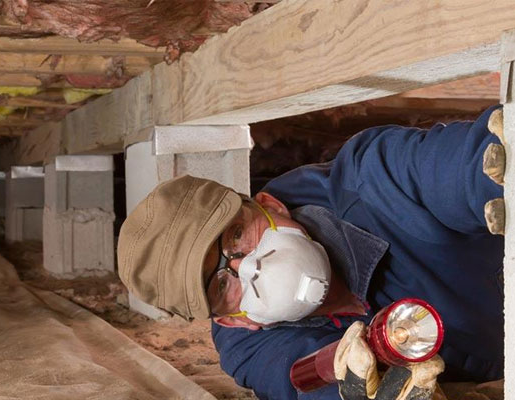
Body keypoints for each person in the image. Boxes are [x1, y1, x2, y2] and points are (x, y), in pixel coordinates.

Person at [117, 106, 505, 399]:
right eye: (220, 284)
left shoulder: (371, 181)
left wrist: (498, 163)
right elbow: (301, 382)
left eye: (236, 236)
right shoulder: (251, 351)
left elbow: (459, 166)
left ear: (270, 205)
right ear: (232, 322)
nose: (248, 267)